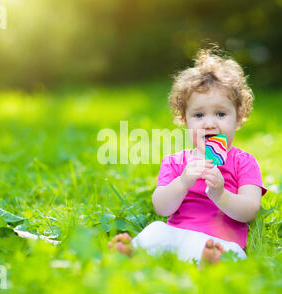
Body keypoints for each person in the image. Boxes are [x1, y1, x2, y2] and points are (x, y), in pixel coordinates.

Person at [108, 47, 267, 265]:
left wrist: (221, 194)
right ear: (185, 120)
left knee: (233, 253)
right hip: (178, 235)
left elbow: (249, 211)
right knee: (156, 229)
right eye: (199, 115)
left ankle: (210, 259)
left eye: (221, 114)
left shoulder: (244, 162)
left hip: (220, 239)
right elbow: (162, 208)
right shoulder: (174, 162)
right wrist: (182, 181)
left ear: (238, 118)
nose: (210, 123)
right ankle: (132, 251)